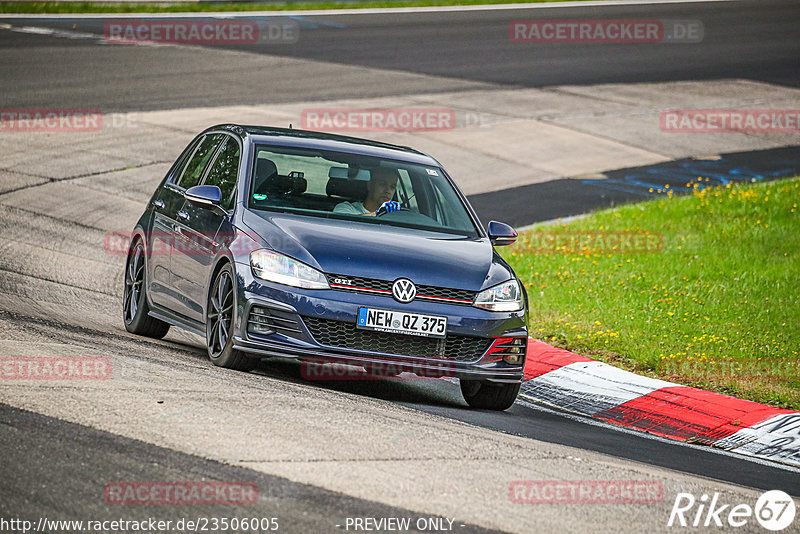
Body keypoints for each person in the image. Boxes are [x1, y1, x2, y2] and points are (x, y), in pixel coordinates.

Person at [333, 167, 401, 216]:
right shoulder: (345, 208)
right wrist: (378, 213)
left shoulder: (396, 216)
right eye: (382, 184)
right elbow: (344, 224)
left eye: (392, 187)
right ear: (370, 185)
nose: (388, 190)